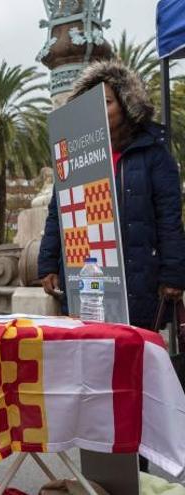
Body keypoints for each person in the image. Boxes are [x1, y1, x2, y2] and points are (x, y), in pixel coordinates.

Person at [38, 60, 185, 330]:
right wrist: (47, 264)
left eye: (106, 102)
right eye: (92, 104)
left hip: (138, 282)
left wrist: (174, 275)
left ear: (127, 106)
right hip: (86, 282)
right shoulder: (74, 155)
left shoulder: (153, 153)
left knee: (133, 360)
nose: (99, 111)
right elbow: (57, 213)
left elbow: (169, 217)